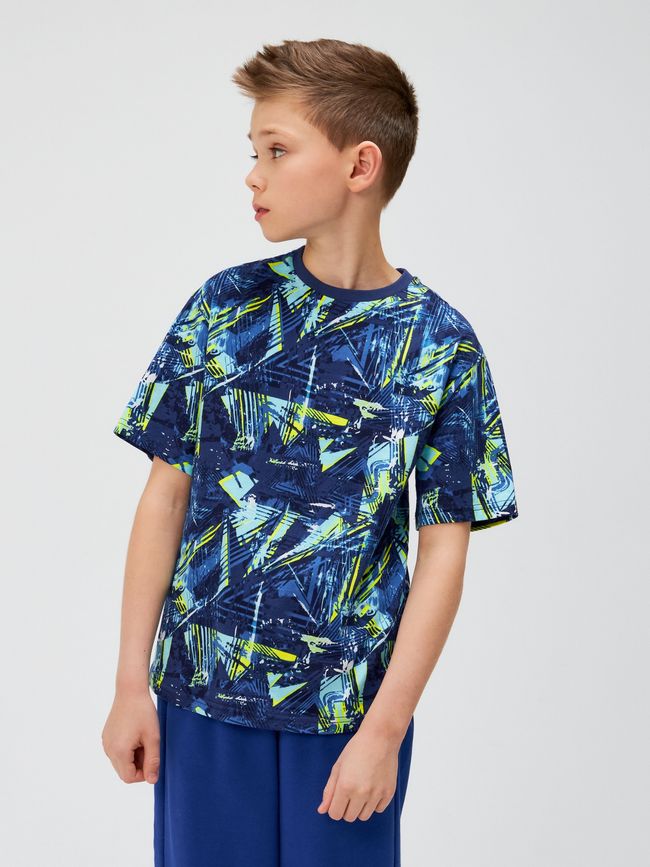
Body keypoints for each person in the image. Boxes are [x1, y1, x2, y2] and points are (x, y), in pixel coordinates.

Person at [101, 37, 519, 867]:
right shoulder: (224, 308)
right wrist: (128, 685)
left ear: (361, 165)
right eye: (253, 152)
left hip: (348, 715)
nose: (252, 176)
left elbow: (443, 548)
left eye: (277, 151)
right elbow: (165, 496)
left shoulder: (440, 345)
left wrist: (386, 729)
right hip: (201, 697)